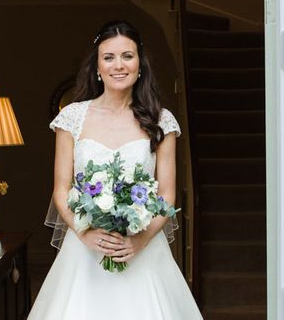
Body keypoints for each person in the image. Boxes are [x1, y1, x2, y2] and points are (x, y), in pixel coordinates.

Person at [28, 20, 203, 320]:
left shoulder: (161, 121)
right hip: (85, 253)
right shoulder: (71, 118)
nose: (118, 65)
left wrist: (139, 241)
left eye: (127, 56)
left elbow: (167, 195)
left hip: (143, 251)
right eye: (108, 57)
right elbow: (61, 190)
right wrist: (85, 232)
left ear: (139, 65)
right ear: (97, 67)